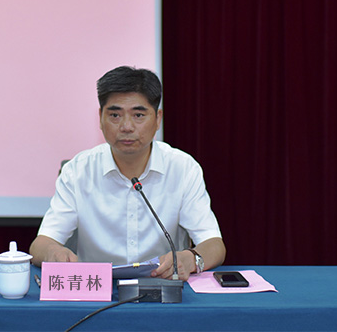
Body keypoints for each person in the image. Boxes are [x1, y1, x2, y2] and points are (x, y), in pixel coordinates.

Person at [29, 66, 225, 281]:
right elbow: (41, 244)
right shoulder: (77, 171)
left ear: (157, 119)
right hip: (96, 288)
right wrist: (53, 253)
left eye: (138, 115)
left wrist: (191, 258)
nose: (126, 126)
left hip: (162, 286)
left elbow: (214, 244)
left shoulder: (183, 168)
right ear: (100, 118)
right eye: (115, 115)